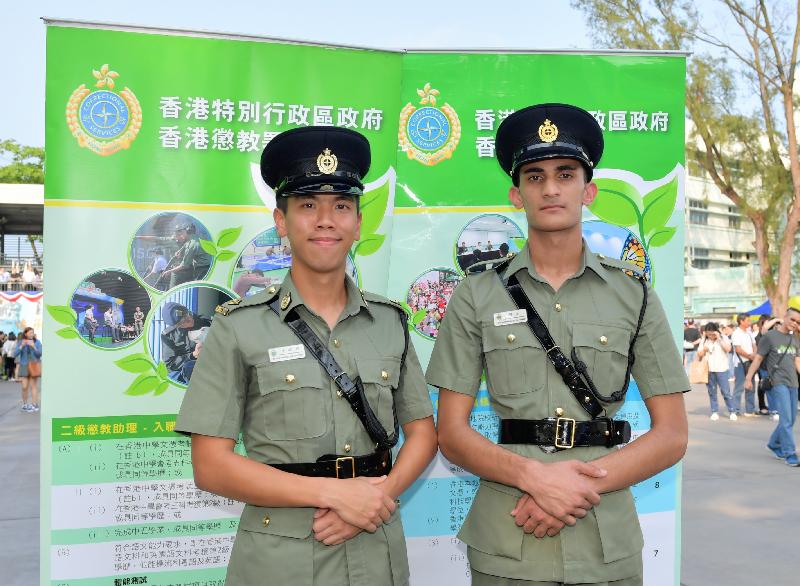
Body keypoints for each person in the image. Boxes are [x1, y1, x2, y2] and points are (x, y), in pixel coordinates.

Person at [428, 103, 689, 586]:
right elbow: (451, 433)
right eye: (535, 176)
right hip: (509, 535)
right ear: (516, 193)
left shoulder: (633, 294)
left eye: (565, 174)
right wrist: (537, 480)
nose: (550, 188)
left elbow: (672, 434)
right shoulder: (476, 294)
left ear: (587, 190)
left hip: (605, 539)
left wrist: (573, 490)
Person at [175, 126, 437, 585]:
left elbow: (423, 434)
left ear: (358, 222)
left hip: (376, 551)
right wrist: (334, 496)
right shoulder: (239, 326)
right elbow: (210, 465)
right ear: (281, 221)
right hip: (282, 558)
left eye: (341, 205)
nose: (325, 220)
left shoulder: (391, 322)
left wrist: (372, 501)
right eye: (308, 205)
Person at [745, 308, 800, 466]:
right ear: (785, 318)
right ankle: (790, 453)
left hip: (793, 383)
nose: (795, 324)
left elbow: (797, 361)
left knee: (790, 419)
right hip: (778, 382)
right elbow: (758, 358)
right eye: (793, 320)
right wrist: (748, 378)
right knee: (785, 419)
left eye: (798, 322)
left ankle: (774, 444)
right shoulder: (770, 337)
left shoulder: (795, 339)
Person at [160, 303, 212, 384]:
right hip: (184, 371)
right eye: (182, 322)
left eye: (187, 315)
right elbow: (170, 363)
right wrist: (193, 355)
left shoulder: (207, 322)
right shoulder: (169, 335)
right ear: (176, 326)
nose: (188, 321)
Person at [697, 322, 737, 421]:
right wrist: (705, 349)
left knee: (726, 392)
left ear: (716, 331)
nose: (710, 336)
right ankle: (714, 411)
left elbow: (728, 349)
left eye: (712, 334)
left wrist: (719, 338)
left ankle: (732, 411)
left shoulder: (723, 337)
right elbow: (699, 354)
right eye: (708, 334)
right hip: (709, 370)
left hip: (722, 369)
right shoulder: (704, 340)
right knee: (712, 392)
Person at [160, 223, 212, 288]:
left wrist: (169, 271)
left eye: (181, 232)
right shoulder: (199, 238)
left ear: (187, 231)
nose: (180, 235)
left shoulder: (192, 245)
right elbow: (187, 245)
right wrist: (180, 252)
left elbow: (184, 265)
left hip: (201, 271)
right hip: (208, 268)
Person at [731, 314, 757, 416]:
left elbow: (754, 345)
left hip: (750, 362)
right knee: (739, 386)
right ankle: (735, 409)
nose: (750, 322)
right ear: (741, 321)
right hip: (740, 363)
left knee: (751, 385)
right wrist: (749, 356)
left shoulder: (749, 333)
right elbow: (738, 349)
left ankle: (750, 410)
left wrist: (754, 355)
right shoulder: (736, 333)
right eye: (748, 320)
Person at [15, 327, 42, 412]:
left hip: (34, 365)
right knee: (24, 386)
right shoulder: (20, 342)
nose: (31, 334)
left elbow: (39, 354)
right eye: (30, 333)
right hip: (24, 365)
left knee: (33, 386)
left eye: (32, 333)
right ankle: (25, 404)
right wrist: (22, 346)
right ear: (25, 334)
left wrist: (33, 346)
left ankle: (35, 404)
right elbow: (15, 354)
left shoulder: (37, 342)